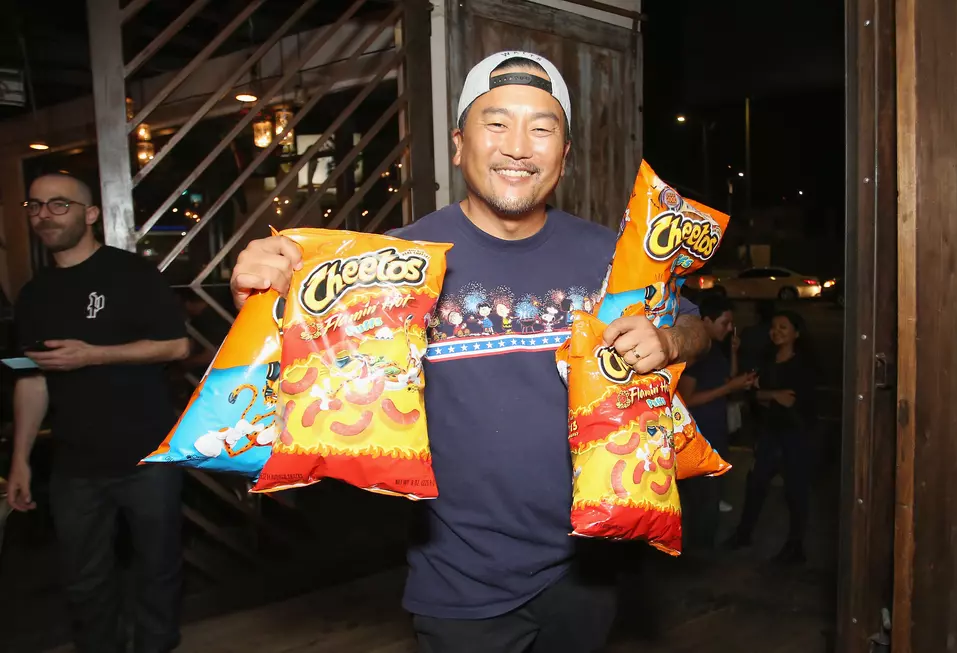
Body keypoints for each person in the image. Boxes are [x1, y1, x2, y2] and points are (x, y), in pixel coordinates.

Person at [228, 51, 710, 652]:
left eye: (542, 128)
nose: (518, 146)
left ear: (563, 154)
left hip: (588, 566)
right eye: (496, 123)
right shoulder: (389, 263)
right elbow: (289, 381)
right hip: (460, 579)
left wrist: (669, 339)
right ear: (459, 144)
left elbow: (699, 328)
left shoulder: (615, 260)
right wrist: (261, 300)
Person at [7, 172, 190, 653]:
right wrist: (20, 460)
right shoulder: (34, 294)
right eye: (36, 206)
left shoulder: (130, 274)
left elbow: (176, 344)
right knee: (84, 580)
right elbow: (32, 377)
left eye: (59, 204)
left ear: (90, 215)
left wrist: (94, 354)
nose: (44, 214)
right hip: (74, 463)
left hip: (148, 454)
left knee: (158, 569)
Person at [727, 310, 817, 565]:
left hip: (796, 433)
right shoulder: (767, 358)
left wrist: (768, 395)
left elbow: (792, 400)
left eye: (783, 328)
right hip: (770, 431)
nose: (775, 332)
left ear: (797, 333)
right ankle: (743, 534)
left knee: (796, 490)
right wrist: (772, 395)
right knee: (756, 483)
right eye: (773, 327)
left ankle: (795, 546)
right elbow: (753, 393)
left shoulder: (804, 364)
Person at [676, 294, 756, 551]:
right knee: (702, 501)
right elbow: (686, 400)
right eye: (724, 323)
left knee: (711, 498)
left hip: (716, 434)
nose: (729, 329)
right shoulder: (696, 356)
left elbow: (728, 380)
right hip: (698, 439)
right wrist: (728, 388)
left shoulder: (716, 350)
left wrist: (733, 356)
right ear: (706, 321)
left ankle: (701, 551)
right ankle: (697, 557)